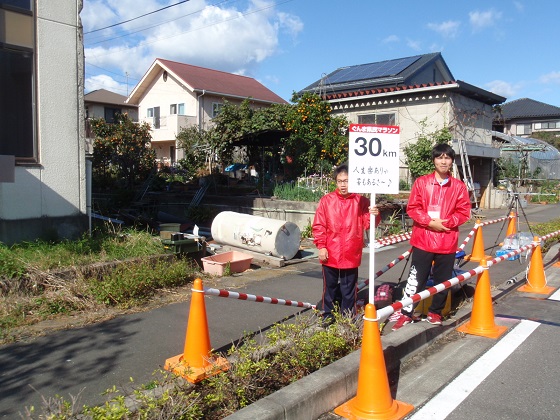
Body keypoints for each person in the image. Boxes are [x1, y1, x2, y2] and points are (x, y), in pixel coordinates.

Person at [392, 143, 471, 331]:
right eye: (439, 157)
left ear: (452, 161)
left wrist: (446, 223)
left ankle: (435, 312)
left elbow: (464, 212)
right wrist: (429, 222)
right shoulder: (421, 182)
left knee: (442, 281)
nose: (443, 161)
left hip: (447, 241)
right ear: (434, 160)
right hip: (423, 239)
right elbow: (413, 208)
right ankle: (406, 313)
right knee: (415, 279)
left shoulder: (459, 187)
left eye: (447, 158)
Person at [312, 164, 380, 325]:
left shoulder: (361, 201)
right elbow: (319, 225)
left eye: (347, 181)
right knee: (329, 287)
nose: (343, 185)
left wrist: (375, 215)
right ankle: (328, 314)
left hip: (351, 250)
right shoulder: (327, 201)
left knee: (349, 289)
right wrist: (321, 246)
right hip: (330, 251)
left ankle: (347, 317)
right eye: (339, 181)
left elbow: (368, 224)